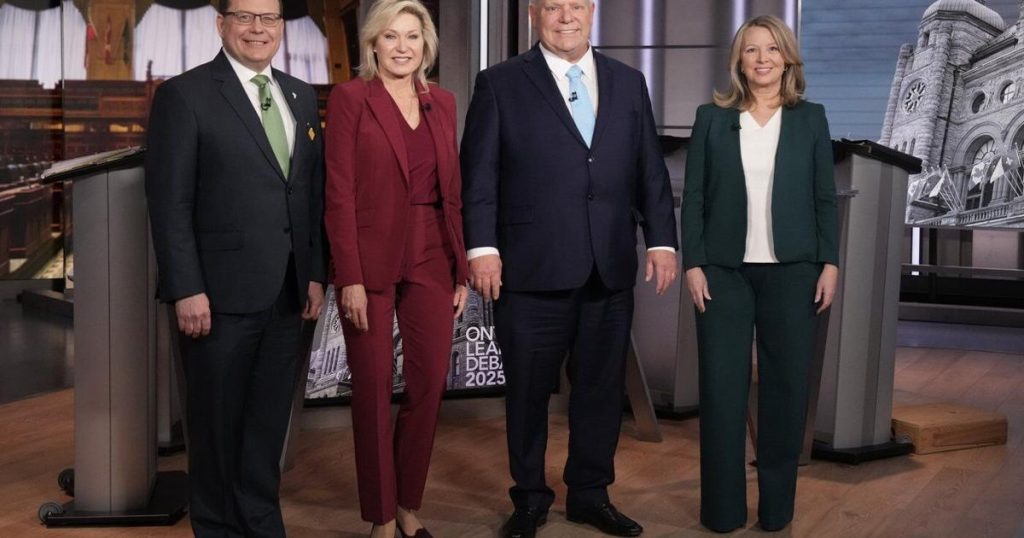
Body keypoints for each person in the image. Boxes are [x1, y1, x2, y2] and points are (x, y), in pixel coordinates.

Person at [460, 1, 678, 536]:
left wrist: (662, 241)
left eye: (576, 4)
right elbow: (479, 174)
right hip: (530, 270)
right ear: (534, 15)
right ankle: (529, 500)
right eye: (552, 6)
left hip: (609, 266)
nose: (565, 16)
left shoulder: (628, 82)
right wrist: (481, 247)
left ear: (591, 11)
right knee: (528, 394)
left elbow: (649, 168)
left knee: (601, 392)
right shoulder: (499, 83)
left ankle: (589, 494)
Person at [144, 0, 327, 535]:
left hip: (288, 292)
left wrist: (315, 273)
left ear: (281, 27)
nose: (257, 28)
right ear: (221, 24)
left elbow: (310, 194)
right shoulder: (185, 95)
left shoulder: (300, 95)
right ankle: (217, 528)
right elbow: (170, 203)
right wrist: (186, 288)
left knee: (267, 426)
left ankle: (262, 523)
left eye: (268, 18)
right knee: (215, 428)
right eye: (245, 16)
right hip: (217, 296)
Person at [680, 14, 839, 533]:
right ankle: (722, 513)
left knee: (785, 392)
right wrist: (694, 262)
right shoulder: (711, 118)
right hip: (722, 272)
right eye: (752, 50)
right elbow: (695, 197)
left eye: (772, 49)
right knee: (721, 393)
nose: (763, 58)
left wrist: (830, 261)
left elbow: (824, 196)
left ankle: (776, 512)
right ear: (739, 61)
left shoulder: (810, 118)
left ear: (787, 58)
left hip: (794, 272)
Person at [323, 1, 469, 537]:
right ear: (373, 44)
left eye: (412, 36)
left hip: (433, 251)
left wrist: (459, 269)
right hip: (370, 258)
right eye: (391, 36)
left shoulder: (443, 102)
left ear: (426, 45)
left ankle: (409, 505)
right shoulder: (351, 98)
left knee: (429, 384)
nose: (402, 47)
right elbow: (338, 192)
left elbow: (453, 192)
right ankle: (382, 517)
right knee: (373, 386)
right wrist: (349, 277)